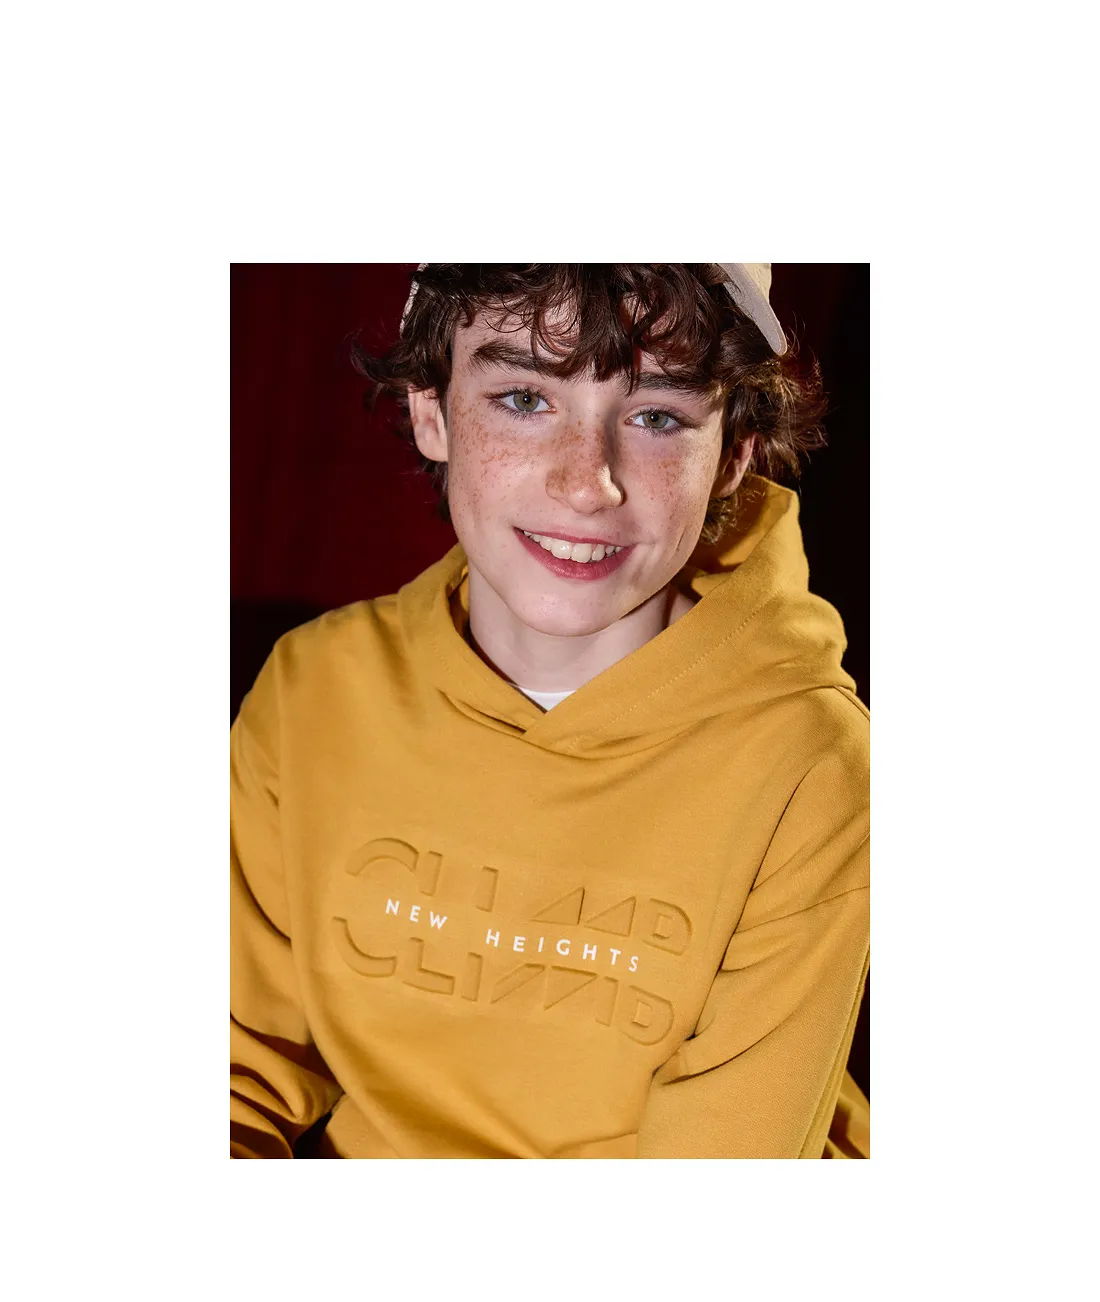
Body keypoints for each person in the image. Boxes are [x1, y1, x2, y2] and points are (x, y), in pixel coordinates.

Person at [230, 263, 870, 1159]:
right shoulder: (315, 688)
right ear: (431, 410)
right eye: (525, 399)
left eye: (657, 416)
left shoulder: (813, 762)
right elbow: (235, 1074)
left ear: (733, 455)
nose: (587, 483)